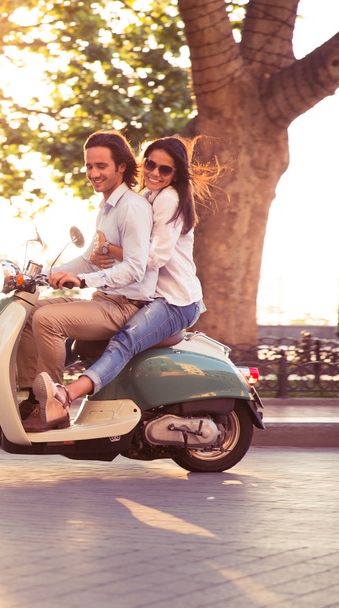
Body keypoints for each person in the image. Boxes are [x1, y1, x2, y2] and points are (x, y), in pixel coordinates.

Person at [30, 135, 219, 432]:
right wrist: (48, 273)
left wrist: (106, 253)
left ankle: (64, 396)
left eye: (165, 169)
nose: (154, 173)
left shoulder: (167, 199)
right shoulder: (144, 197)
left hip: (175, 299)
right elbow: (98, 257)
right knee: (62, 335)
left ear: (176, 174)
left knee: (125, 341)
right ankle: (33, 392)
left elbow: (149, 259)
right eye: (151, 165)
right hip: (153, 295)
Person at [16, 130, 155, 431]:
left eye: (101, 166)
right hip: (105, 300)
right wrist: (46, 275)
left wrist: (82, 280)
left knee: (47, 320)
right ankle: (32, 396)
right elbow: (90, 259)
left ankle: (55, 406)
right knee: (28, 311)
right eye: (89, 166)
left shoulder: (132, 207)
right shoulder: (107, 209)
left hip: (126, 306)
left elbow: (135, 268)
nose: (93, 173)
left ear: (121, 167)